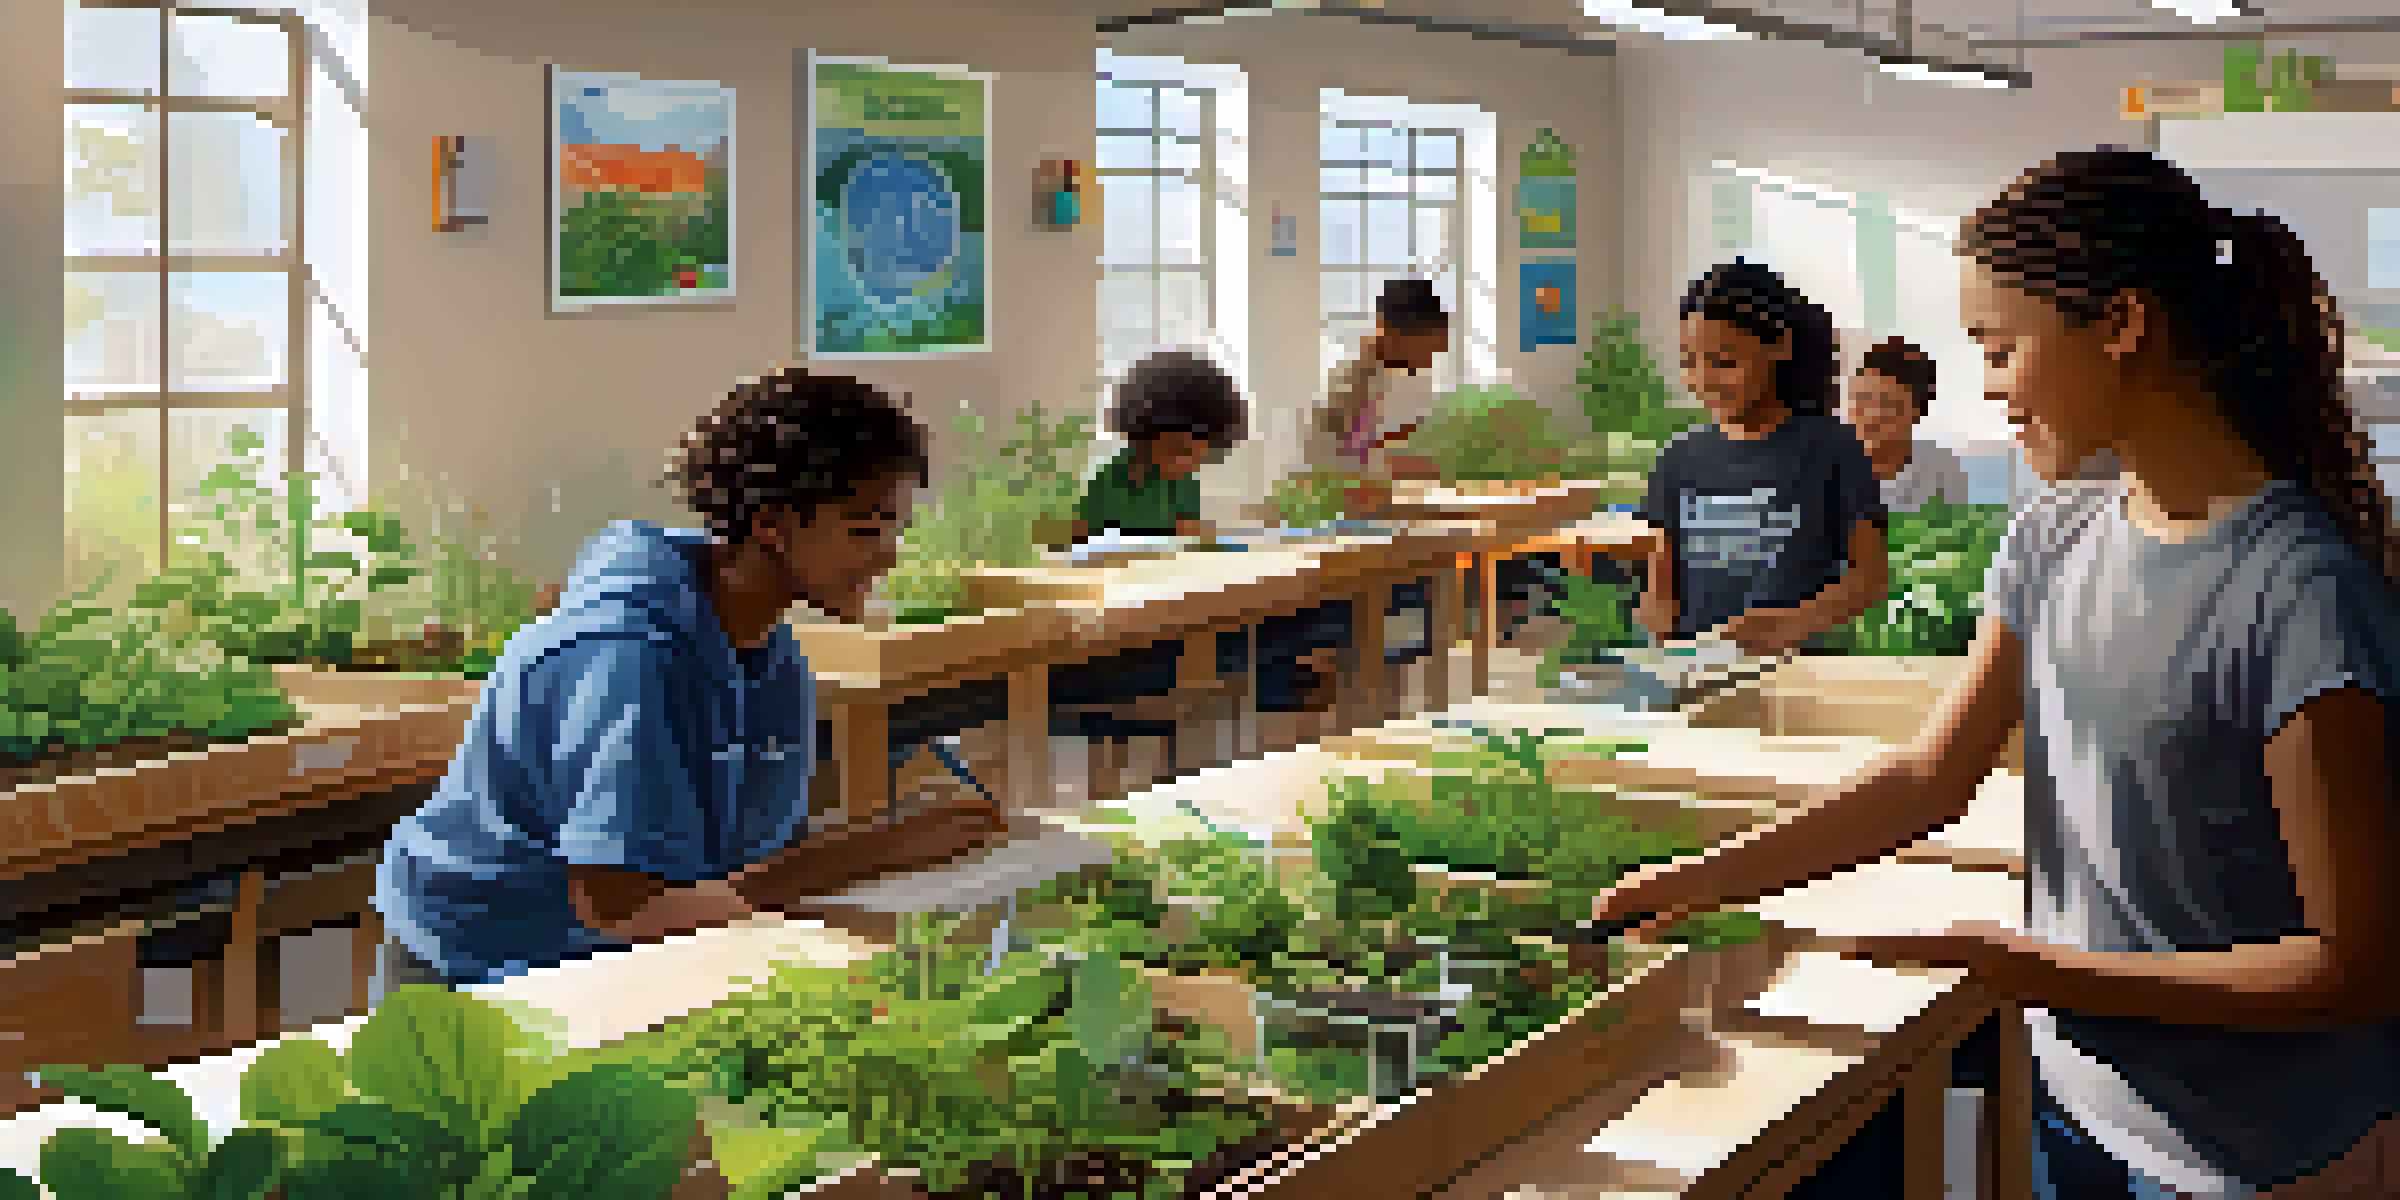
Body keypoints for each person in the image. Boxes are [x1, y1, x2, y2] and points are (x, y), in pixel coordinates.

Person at [1592, 149, 2400, 1200]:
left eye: (2001, 346)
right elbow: (1932, 775)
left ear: (2120, 324)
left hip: (2259, 1158)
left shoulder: (2299, 592)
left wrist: (2032, 968)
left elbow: (2356, 966)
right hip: (2081, 1101)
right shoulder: (2054, 536)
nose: (1988, 386)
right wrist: (1706, 877)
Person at [370, 368, 1005, 995]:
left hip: (607, 957)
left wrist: (887, 843)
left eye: (897, 528)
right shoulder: (629, 661)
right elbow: (620, 905)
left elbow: (739, 870)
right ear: (774, 525)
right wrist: (871, 858)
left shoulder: (772, 654)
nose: (889, 555)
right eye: (865, 528)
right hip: (476, 972)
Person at [1635, 260, 1891, 655]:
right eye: (1689, 362)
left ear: (1779, 347)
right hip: (1699, 679)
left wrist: (1792, 624)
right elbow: (1660, 590)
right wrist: (1658, 657)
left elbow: (1869, 580)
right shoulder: (1677, 458)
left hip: (1802, 678)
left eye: (1723, 362)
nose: (1703, 379)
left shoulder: (1833, 448)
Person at [1072, 349, 1247, 541]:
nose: (1188, 465)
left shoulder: (1184, 483)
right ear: (1145, 435)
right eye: (1180, 451)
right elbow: (1082, 540)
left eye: (1199, 458)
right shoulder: (1107, 481)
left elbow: (1191, 536)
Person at [1843, 336, 1971, 512]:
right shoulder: (1822, 468)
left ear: (1917, 412)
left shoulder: (1942, 474)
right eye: (1862, 398)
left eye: (1887, 403)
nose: (1870, 414)